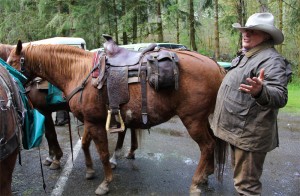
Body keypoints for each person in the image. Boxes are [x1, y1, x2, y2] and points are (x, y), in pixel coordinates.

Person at [211, 13, 292, 195]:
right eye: (245, 30)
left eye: (253, 32)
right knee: (240, 179)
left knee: (247, 187)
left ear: (266, 36)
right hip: (238, 131)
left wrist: (261, 91)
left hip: (249, 134)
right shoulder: (248, 55)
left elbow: (280, 96)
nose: (246, 34)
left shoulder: (271, 60)